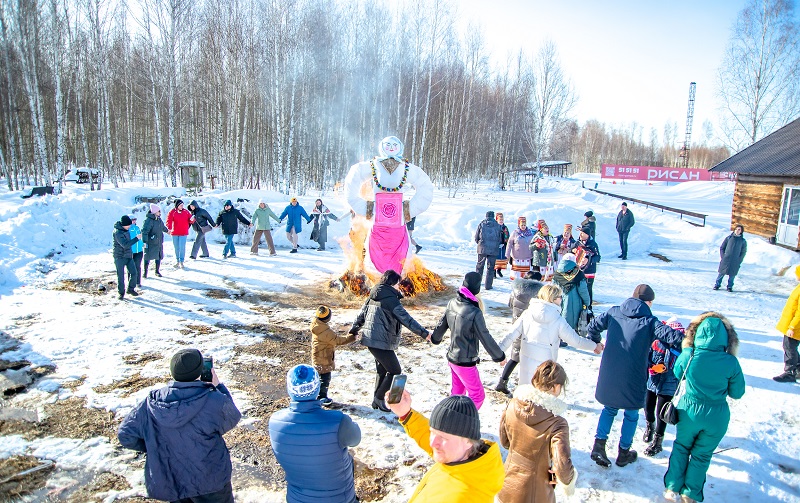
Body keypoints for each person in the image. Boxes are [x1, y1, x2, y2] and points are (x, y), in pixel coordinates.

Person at [118, 348, 241, 503]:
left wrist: (156, 445)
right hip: (210, 480)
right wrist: (218, 387)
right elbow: (232, 417)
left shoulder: (151, 402)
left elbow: (125, 435)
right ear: (200, 372)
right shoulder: (213, 399)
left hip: (173, 481)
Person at [587, 284, 684, 468]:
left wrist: (596, 342)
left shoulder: (613, 312)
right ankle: (624, 452)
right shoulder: (650, 321)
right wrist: (690, 341)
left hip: (611, 371)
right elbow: (672, 337)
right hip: (634, 375)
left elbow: (593, 326)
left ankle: (599, 445)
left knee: (609, 408)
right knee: (631, 413)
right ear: (648, 302)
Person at [663, 312, 745, 503]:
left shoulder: (689, 355)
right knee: (702, 456)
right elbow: (737, 393)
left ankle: (672, 487)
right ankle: (690, 493)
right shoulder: (731, 362)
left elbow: (677, 373)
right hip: (717, 416)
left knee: (681, 448)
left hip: (689, 411)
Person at [385, 392, 505, 502]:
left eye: (443, 438)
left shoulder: (463, 497)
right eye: (433, 432)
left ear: (468, 442)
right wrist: (405, 413)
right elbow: (427, 433)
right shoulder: (464, 459)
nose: (432, 443)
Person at [269, 365, 361, 503]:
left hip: (296, 498)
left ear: (290, 389)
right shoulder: (338, 421)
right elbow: (356, 438)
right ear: (317, 388)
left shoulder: (275, 421)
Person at [343, 136, 434, 275]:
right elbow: (353, 180)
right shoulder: (373, 165)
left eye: (394, 144)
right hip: (377, 222)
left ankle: (400, 281)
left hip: (399, 223)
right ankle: (375, 280)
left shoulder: (406, 167)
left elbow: (425, 187)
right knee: (373, 253)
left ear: (400, 146)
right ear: (382, 146)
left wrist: (408, 209)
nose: (391, 147)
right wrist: (367, 208)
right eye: (388, 144)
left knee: (404, 255)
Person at [497, 361, 578, 503]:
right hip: (537, 490)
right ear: (556, 387)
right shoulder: (557, 423)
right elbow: (562, 466)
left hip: (507, 481)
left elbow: (505, 442)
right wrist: (569, 482)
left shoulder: (512, 404)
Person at [349, 269, 429, 412]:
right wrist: (425, 334)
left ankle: (377, 402)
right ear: (392, 284)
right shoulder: (391, 299)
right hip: (381, 341)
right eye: (398, 284)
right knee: (395, 371)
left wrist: (355, 328)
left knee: (382, 370)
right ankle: (381, 399)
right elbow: (406, 319)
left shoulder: (374, 294)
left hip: (372, 340)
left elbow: (362, 313)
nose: (399, 286)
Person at [497, 284, 602, 387]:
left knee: (525, 393)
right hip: (546, 366)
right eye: (560, 297)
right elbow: (576, 341)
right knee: (541, 393)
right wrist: (594, 346)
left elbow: (511, 334)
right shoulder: (558, 320)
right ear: (553, 299)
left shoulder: (528, 313)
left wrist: (498, 353)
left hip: (526, 361)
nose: (562, 299)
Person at [430, 272, 506, 410]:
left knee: (457, 394)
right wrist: (499, 356)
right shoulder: (474, 312)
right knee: (477, 396)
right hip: (465, 362)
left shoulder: (452, 303)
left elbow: (441, 325)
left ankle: (449, 419)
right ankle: (463, 422)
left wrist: (435, 338)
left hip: (452, 358)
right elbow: (485, 337)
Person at [494, 271, 545, 395]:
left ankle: (502, 382)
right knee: (534, 359)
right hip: (532, 329)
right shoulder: (539, 294)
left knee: (515, 357)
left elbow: (510, 305)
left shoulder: (516, 290)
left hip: (516, 326)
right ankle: (534, 387)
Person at [643, 317, 685, 457]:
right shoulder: (657, 343)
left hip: (669, 386)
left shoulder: (682, 349)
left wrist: (671, 370)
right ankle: (650, 426)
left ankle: (658, 441)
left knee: (661, 413)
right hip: (653, 381)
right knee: (648, 407)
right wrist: (654, 367)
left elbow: (683, 369)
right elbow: (648, 359)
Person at [311, 305, 356, 405]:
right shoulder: (325, 332)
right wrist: (351, 337)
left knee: (319, 377)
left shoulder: (317, 325)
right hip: (324, 357)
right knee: (325, 379)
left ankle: (316, 396)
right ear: (327, 318)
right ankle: (322, 397)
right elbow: (338, 341)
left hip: (318, 356)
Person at [773, 265, 800, 383]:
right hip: (794, 325)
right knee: (790, 347)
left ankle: (790, 372)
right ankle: (798, 370)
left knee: (789, 347)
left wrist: (792, 327)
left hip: (795, 326)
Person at [552, 256, 591, 332]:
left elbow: (553, 290)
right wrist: (587, 302)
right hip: (575, 304)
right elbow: (583, 291)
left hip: (559, 302)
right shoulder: (578, 274)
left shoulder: (557, 274)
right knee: (573, 324)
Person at [113, 215, 141, 300]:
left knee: (134, 272)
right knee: (121, 276)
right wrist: (136, 239)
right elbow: (125, 244)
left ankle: (130, 289)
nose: (129, 227)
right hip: (120, 257)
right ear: (123, 225)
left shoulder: (127, 230)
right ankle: (121, 293)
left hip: (128, 256)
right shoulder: (117, 233)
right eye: (128, 225)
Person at [714, 224, 747, 292]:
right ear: (734, 230)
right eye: (736, 229)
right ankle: (717, 285)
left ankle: (729, 287)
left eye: (739, 230)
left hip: (735, 261)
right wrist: (723, 256)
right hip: (726, 259)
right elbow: (722, 248)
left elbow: (743, 252)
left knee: (732, 275)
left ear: (741, 231)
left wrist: (739, 260)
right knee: (721, 273)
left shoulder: (743, 241)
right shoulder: (729, 238)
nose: (737, 231)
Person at [475, 210, 502, 290]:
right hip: (493, 249)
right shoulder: (497, 225)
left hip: (482, 248)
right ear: (493, 216)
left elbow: (476, 237)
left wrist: (480, 244)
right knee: (490, 268)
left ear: (486, 216)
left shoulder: (482, 224)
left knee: (480, 266)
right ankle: (488, 285)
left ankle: (477, 284)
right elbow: (500, 237)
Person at [572, 226, 601, 305]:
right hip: (579, 269)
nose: (580, 235)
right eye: (580, 233)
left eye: (583, 233)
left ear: (587, 235)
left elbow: (598, 257)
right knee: (577, 287)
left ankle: (588, 306)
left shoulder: (593, 244)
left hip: (589, 270)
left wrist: (589, 260)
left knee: (588, 288)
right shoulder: (578, 243)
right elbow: (570, 251)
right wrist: (573, 250)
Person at [141, 203, 168, 278]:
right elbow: (145, 232)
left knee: (158, 256)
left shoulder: (158, 219)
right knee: (147, 257)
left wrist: (167, 231)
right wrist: (145, 242)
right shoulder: (148, 221)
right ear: (155, 212)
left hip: (158, 241)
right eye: (159, 211)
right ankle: (145, 272)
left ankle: (157, 271)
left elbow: (162, 227)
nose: (160, 213)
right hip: (151, 242)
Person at [166, 199, 194, 269]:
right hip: (175, 232)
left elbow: (191, 220)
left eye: (182, 205)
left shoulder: (186, 212)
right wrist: (169, 228)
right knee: (176, 247)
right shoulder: (172, 212)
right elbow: (169, 220)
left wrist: (192, 219)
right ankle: (177, 261)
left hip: (183, 232)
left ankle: (181, 261)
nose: (182, 206)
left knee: (182, 247)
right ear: (177, 205)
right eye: (180, 205)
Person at [129, 216, 143, 287]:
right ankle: (130, 281)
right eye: (132, 220)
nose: (134, 221)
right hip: (131, 251)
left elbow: (140, 238)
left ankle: (138, 282)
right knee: (131, 267)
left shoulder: (137, 228)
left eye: (135, 220)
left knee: (138, 266)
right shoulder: (127, 229)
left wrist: (142, 244)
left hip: (139, 251)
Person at [494, 212, 510, 278]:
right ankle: (494, 272)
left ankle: (499, 270)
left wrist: (505, 242)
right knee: (495, 259)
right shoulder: (495, 227)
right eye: (500, 220)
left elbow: (507, 235)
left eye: (502, 220)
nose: (501, 221)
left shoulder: (505, 227)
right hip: (496, 246)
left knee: (502, 259)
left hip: (503, 245)